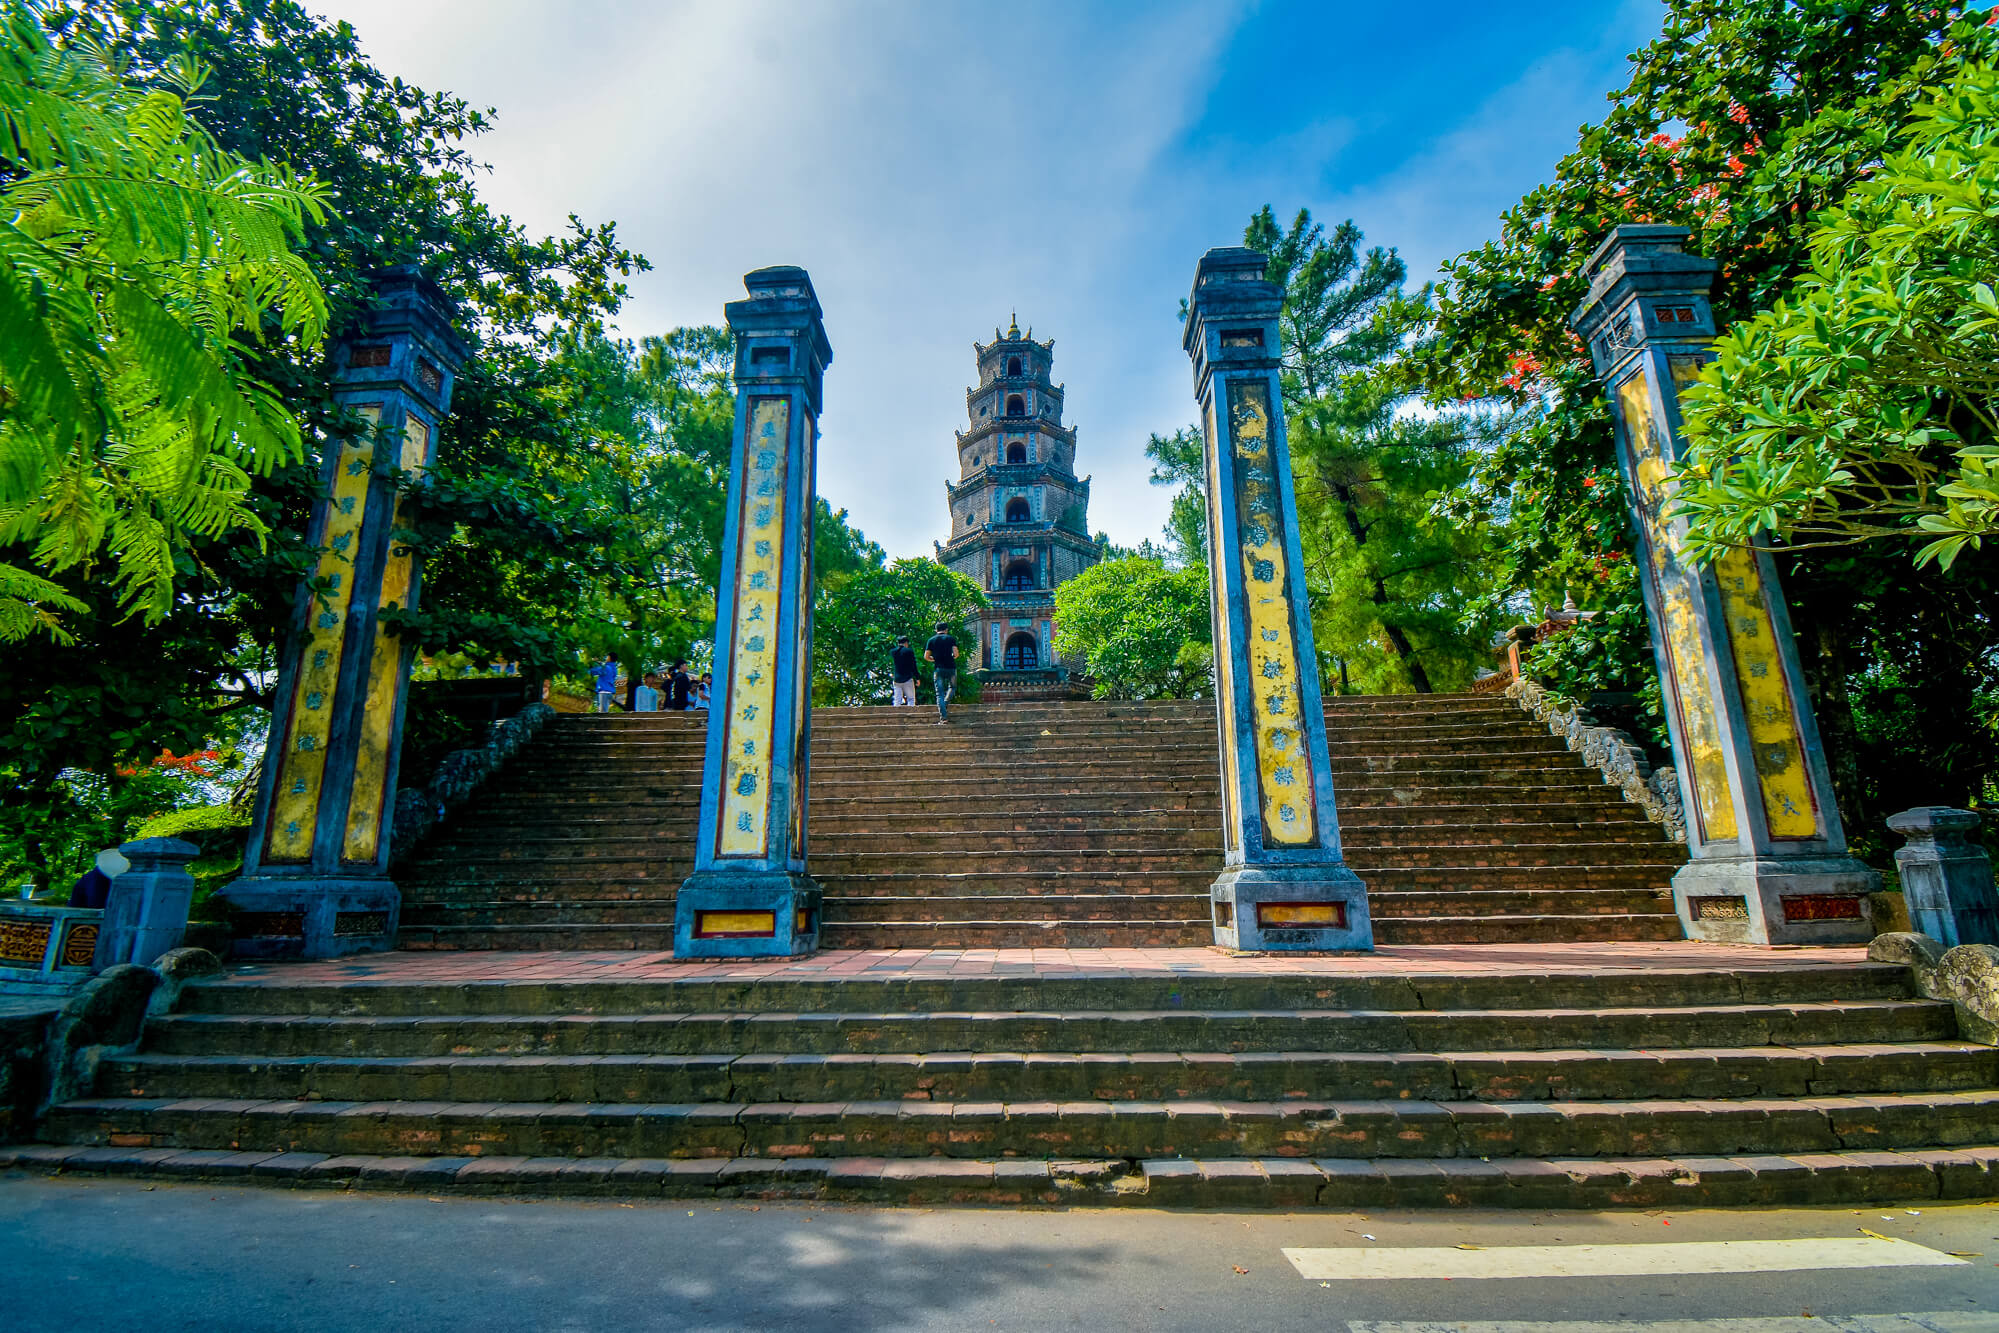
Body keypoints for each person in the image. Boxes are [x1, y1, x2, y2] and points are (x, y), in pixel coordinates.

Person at [924, 621, 959, 723]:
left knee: (939, 694)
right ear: (946, 630)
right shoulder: (951, 639)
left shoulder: (931, 640)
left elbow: (926, 656)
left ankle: (943, 718)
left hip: (938, 669)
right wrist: (952, 657)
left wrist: (933, 659)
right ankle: (945, 703)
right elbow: (956, 654)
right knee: (952, 687)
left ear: (936, 630)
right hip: (951, 668)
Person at [891, 634, 919, 707]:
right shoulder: (909, 651)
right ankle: (911, 715)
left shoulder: (893, 652)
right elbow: (913, 666)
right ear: (906, 643)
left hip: (897, 679)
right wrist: (917, 678)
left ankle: (895, 715)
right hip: (907, 678)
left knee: (897, 700)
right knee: (911, 699)